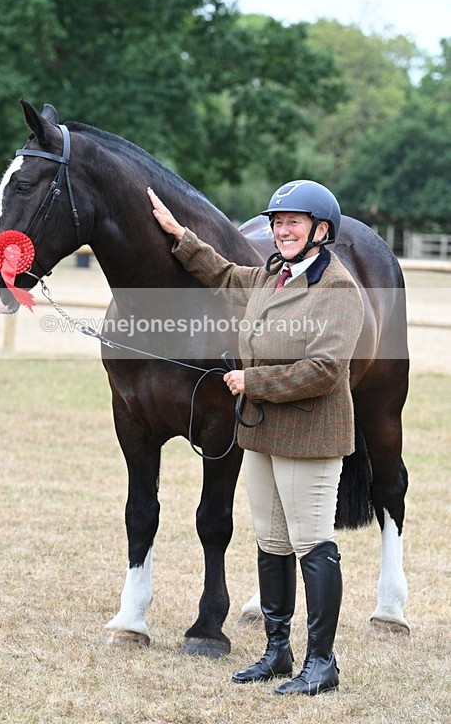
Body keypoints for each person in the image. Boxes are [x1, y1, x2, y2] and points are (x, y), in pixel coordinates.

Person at [147, 180, 364, 696]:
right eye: (277, 222)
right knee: (270, 540)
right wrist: (179, 235)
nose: (281, 231)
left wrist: (253, 381)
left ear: (321, 230)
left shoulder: (338, 290)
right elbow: (224, 274)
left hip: (310, 433)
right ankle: (277, 650)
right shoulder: (272, 275)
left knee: (312, 542)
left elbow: (326, 369)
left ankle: (322, 663)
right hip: (262, 432)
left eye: (293, 222)